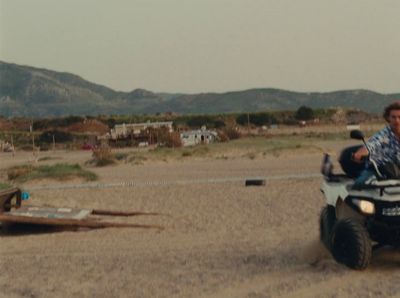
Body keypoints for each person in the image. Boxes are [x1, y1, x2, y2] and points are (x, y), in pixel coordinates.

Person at [352, 101, 400, 185]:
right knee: (359, 186)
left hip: (397, 170)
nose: (397, 120)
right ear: (388, 118)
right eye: (393, 117)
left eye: (399, 117)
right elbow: (373, 143)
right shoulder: (384, 134)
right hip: (378, 169)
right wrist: (362, 152)